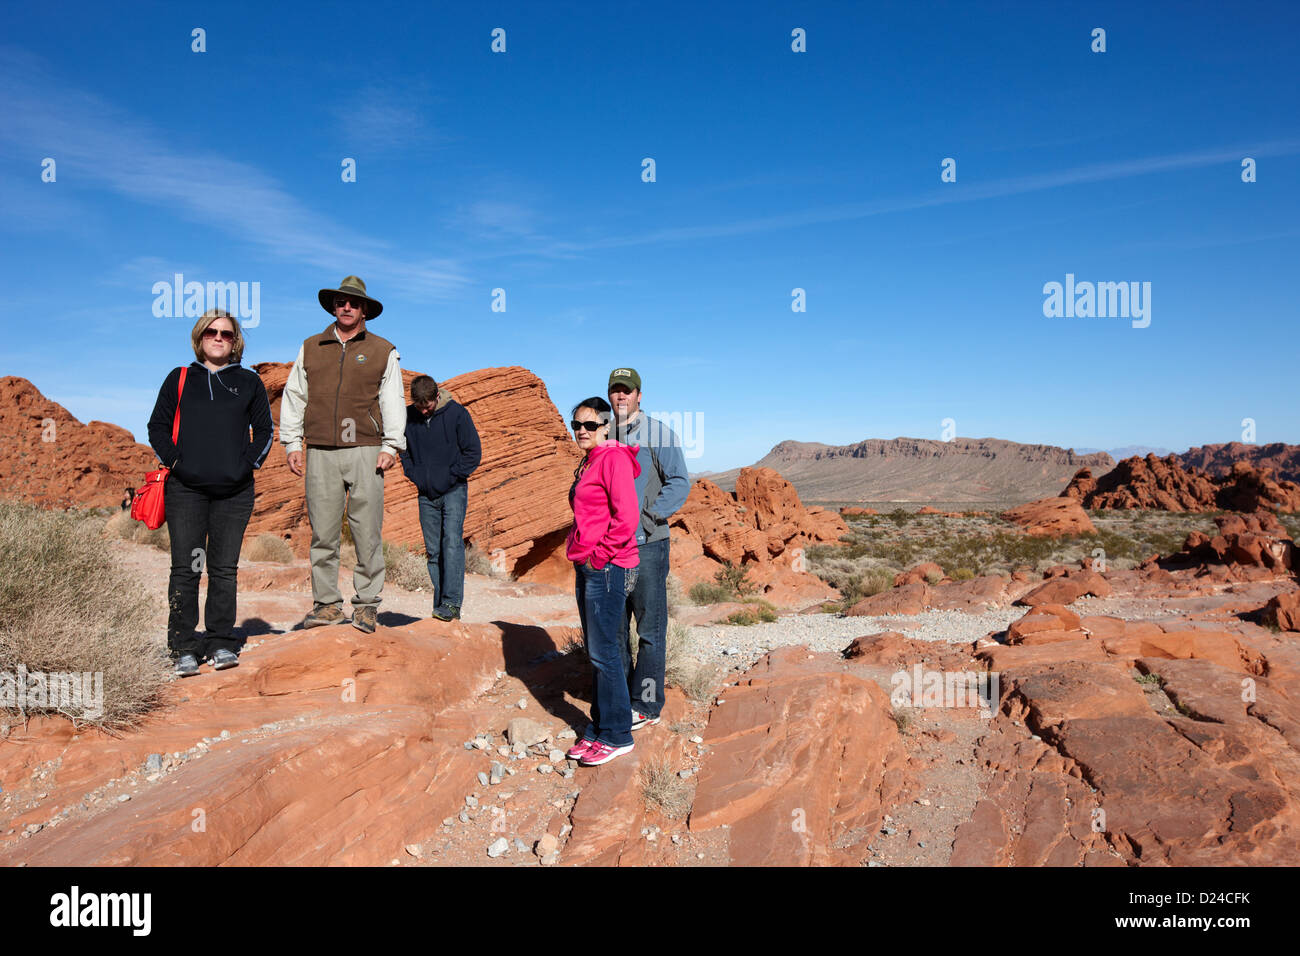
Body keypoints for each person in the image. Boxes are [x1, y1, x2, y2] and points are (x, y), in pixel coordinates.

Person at [147, 309, 274, 677]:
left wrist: (246, 465)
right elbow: (157, 427)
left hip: (234, 493)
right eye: (212, 332)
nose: (219, 338)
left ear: (236, 343)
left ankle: (220, 641)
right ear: (200, 336)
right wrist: (177, 463)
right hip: (185, 491)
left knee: (223, 569)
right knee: (186, 570)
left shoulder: (248, 381)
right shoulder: (180, 378)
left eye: (227, 334)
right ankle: (183, 646)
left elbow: (264, 431)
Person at [279, 276, 407, 634]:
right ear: (333, 307)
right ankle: (326, 605)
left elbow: (392, 399)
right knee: (323, 533)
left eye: (353, 303)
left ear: (364, 309)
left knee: (366, 531)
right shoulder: (311, 346)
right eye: (340, 302)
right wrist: (292, 442)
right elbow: (295, 396)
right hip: (320, 449)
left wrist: (391, 446)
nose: (346, 307)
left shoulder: (383, 350)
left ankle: (366, 605)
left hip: (366, 449)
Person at [607, 368, 690, 729]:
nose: (621, 396)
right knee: (613, 628)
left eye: (627, 391)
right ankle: (622, 696)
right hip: (609, 549)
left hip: (648, 547)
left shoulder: (658, 433)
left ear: (639, 395)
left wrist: (648, 517)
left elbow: (680, 482)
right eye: (615, 391)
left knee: (650, 630)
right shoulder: (604, 433)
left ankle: (648, 704)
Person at [563, 397, 641, 767]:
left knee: (605, 651)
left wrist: (598, 555)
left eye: (590, 425)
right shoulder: (591, 459)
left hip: (608, 567)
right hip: (589, 565)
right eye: (576, 424)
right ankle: (599, 726)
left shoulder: (612, 458)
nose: (581, 430)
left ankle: (618, 735)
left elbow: (627, 518)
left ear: (607, 426)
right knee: (597, 651)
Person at [399, 375, 482, 621]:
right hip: (426, 494)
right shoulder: (409, 416)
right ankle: (440, 606)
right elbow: (403, 451)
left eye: (428, 405)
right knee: (434, 552)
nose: (424, 410)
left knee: (452, 544)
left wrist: (450, 476)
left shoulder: (457, 414)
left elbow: (473, 452)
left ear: (437, 396)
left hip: (453, 490)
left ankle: (452, 604)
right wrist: (415, 475)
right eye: (419, 406)